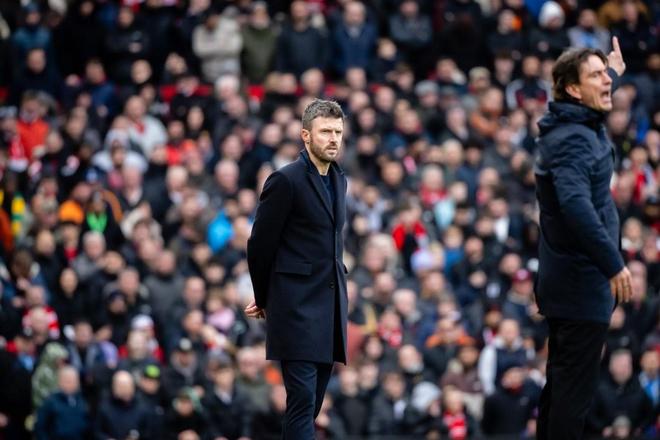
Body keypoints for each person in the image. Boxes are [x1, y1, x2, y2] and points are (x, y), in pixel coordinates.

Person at [534, 38, 632, 439]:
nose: (605, 81)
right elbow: (576, 205)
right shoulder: (573, 138)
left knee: (561, 388)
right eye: (596, 76)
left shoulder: (572, 123)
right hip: (582, 283)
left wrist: (613, 75)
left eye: (604, 73)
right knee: (572, 397)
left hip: (570, 280)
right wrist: (613, 264)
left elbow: (591, 105)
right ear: (574, 89)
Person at [245, 99, 349, 438]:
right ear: (306, 135)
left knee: (310, 405)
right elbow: (260, 244)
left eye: (338, 132)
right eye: (326, 132)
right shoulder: (285, 180)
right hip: (295, 308)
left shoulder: (339, 179)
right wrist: (264, 296)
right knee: (302, 402)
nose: (333, 139)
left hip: (329, 309)